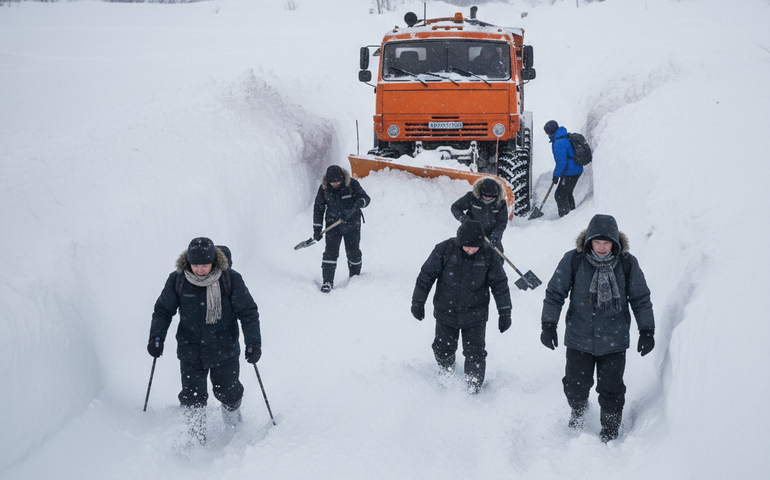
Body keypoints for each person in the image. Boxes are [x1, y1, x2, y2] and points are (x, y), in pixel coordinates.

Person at [539, 214, 655, 442]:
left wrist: (647, 331)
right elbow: (555, 293)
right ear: (589, 241)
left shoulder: (627, 263)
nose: (601, 248)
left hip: (614, 340)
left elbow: (640, 298)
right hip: (578, 338)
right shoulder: (574, 260)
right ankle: (578, 411)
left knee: (611, 390)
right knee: (575, 386)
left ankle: (610, 432)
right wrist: (548, 324)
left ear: (615, 243)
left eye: (607, 243)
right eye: (597, 242)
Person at [148, 237, 262, 445]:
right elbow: (163, 311)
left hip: (224, 349)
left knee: (228, 392)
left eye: (205, 265)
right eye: (196, 265)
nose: (200, 270)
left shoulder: (230, 279)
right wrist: (156, 337)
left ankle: (234, 426)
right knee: (192, 397)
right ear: (188, 262)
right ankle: (194, 437)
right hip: (190, 350)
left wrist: (253, 343)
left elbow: (248, 312)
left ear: (214, 262)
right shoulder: (178, 280)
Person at [411, 220, 512, 394]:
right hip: (446, 311)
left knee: (475, 353)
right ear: (459, 241)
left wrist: (505, 312)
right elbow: (426, 276)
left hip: (476, 314)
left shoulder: (488, 255)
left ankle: (472, 386)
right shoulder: (444, 250)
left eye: (475, 247)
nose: (471, 250)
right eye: (467, 247)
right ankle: (446, 370)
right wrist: (418, 302)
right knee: (443, 348)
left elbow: (500, 285)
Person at [313, 165, 371, 293]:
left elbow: (366, 199)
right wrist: (317, 229)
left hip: (352, 225)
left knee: (353, 252)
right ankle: (328, 281)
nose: (335, 184)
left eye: (337, 181)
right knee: (330, 253)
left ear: (342, 178)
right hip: (332, 225)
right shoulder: (324, 188)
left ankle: (355, 277)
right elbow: (318, 209)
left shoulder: (352, 184)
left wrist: (359, 203)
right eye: (332, 182)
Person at [450, 176, 507, 253]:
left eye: (489, 196)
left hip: (489, 234)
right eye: (484, 195)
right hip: (470, 230)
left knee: (497, 255)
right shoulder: (472, 197)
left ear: (495, 195)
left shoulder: (500, 203)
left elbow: (502, 222)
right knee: (465, 254)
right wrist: (464, 219)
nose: (487, 198)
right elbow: (455, 207)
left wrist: (496, 236)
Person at [544, 120, 583, 217]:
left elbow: (561, 163)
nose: (547, 135)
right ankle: (572, 213)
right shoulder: (562, 136)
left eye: (547, 133)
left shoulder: (559, 142)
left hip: (571, 171)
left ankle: (565, 216)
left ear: (551, 132)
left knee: (560, 195)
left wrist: (556, 176)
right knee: (567, 193)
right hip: (575, 169)